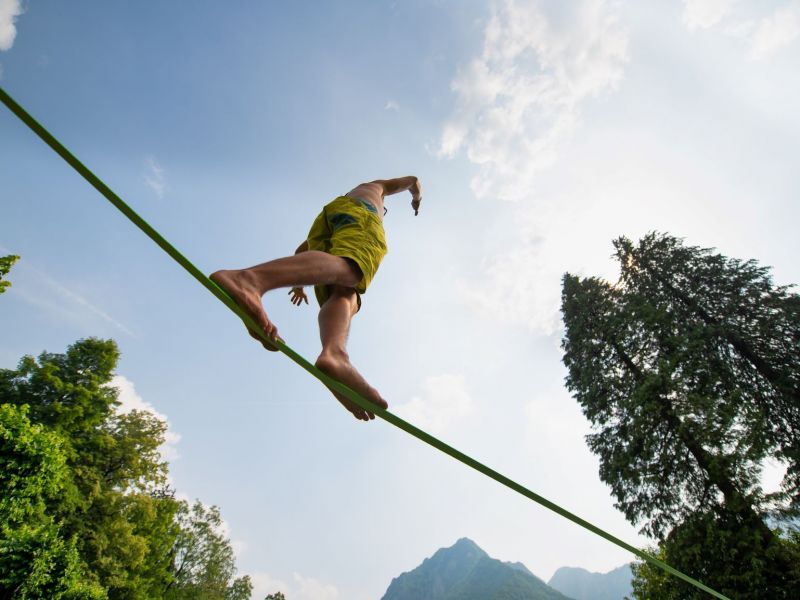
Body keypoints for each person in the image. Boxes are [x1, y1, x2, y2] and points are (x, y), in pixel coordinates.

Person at [211, 176, 423, 422]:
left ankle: (334, 355)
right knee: (353, 269)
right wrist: (417, 199)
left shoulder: (344, 205)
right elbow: (413, 180)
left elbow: (305, 249)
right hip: (360, 215)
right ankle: (249, 280)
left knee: (345, 291)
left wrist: (300, 284)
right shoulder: (376, 189)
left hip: (327, 223)